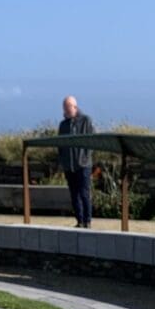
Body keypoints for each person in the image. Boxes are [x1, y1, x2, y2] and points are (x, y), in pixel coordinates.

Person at [57, 96, 95, 228]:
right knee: (74, 194)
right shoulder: (63, 125)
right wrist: (63, 161)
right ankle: (79, 220)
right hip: (69, 165)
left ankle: (87, 221)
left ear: (75, 107)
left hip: (83, 164)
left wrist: (85, 158)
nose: (66, 110)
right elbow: (60, 145)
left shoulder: (86, 120)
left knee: (84, 193)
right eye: (65, 108)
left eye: (68, 107)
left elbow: (92, 141)